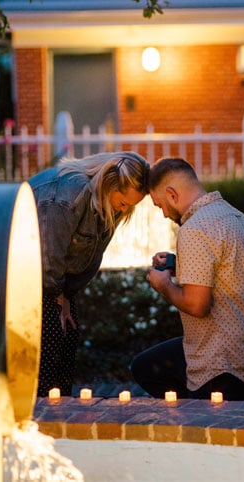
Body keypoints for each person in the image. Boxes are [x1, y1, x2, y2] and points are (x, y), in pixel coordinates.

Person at [131, 157, 244, 401]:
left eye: (160, 206)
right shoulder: (235, 217)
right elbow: (228, 267)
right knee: (147, 365)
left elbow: (198, 305)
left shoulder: (194, 229)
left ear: (172, 194)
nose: (164, 215)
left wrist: (163, 285)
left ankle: (196, 419)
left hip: (222, 365)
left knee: (147, 372)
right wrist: (179, 264)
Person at [29, 151, 150, 397]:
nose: (124, 210)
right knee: (50, 339)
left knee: (68, 334)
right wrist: (58, 296)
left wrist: (66, 296)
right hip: (26, 277)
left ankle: (59, 408)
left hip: (54, 283)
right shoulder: (66, 196)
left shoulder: (108, 206)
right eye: (124, 202)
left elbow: (89, 258)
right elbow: (48, 257)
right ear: (108, 184)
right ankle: (41, 410)